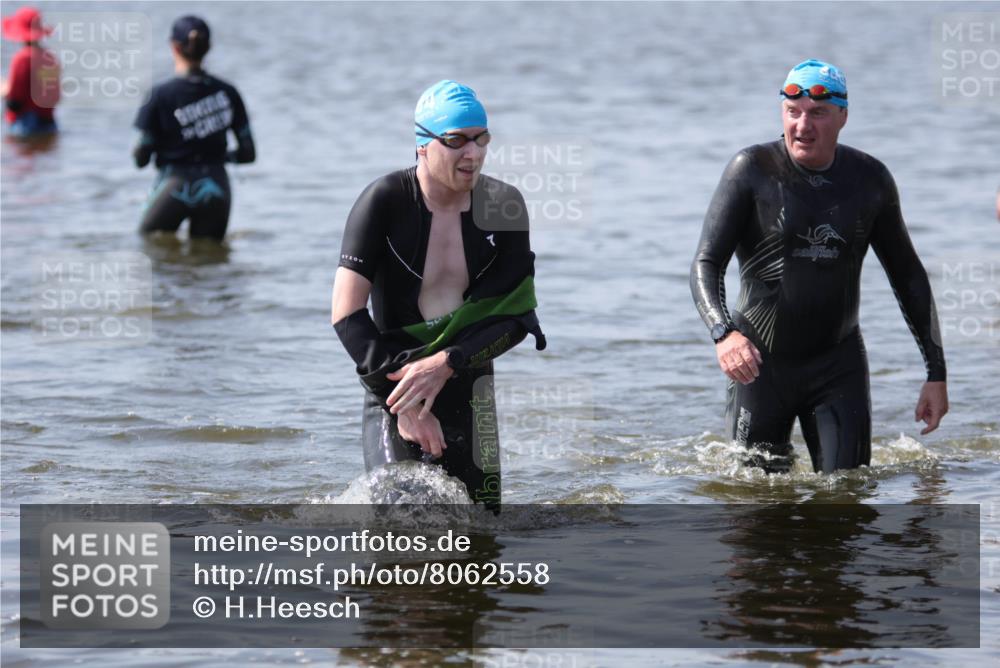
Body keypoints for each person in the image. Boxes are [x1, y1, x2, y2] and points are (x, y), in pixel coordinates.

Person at [690, 59, 948, 474]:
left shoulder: (869, 180)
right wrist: (724, 334)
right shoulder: (752, 171)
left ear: (843, 116)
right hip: (759, 365)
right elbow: (706, 263)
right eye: (793, 112)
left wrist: (936, 372)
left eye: (818, 113)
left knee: (847, 501)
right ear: (782, 113)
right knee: (756, 514)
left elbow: (909, 276)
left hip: (837, 365)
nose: (803, 125)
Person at [331, 80, 545, 511]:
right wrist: (405, 404)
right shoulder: (384, 202)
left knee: (481, 536)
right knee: (400, 520)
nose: (474, 153)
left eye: (481, 138)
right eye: (456, 141)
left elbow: (518, 321)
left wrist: (448, 363)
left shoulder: (504, 205)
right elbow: (346, 315)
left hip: (469, 381)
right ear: (423, 145)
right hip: (395, 385)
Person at [133, 16, 255, 241]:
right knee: (211, 261)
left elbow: (140, 158)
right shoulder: (228, 92)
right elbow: (248, 154)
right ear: (208, 47)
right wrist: (218, 155)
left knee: (150, 247)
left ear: (174, 47)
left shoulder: (160, 95)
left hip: (174, 184)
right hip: (217, 185)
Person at [1, 6, 59, 138]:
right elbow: (54, 95)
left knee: (18, 155)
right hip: (49, 122)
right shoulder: (50, 58)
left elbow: (15, 100)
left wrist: (4, 90)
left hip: (26, 124)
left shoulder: (22, 59)